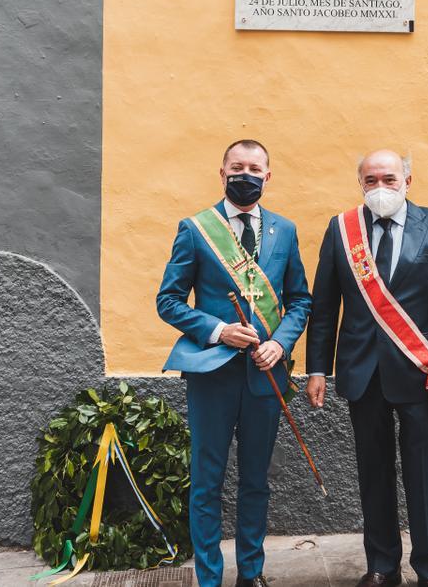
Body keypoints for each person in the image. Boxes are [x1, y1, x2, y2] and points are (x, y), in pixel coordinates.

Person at [306, 149, 428, 587]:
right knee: (373, 474)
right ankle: (381, 566)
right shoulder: (342, 230)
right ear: (360, 183)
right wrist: (317, 369)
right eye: (371, 179)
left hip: (421, 375)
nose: (381, 187)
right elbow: (324, 306)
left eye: (390, 179)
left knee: (424, 475)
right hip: (363, 373)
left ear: (408, 181)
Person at [157, 139, 312, 587]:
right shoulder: (196, 228)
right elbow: (168, 301)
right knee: (207, 482)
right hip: (213, 377)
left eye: (255, 168)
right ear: (223, 173)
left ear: (268, 175)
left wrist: (280, 343)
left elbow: (300, 300)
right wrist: (216, 330)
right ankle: (208, 578)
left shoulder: (285, 230)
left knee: (255, 482)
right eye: (237, 167)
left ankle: (251, 574)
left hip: (266, 377)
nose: (246, 174)